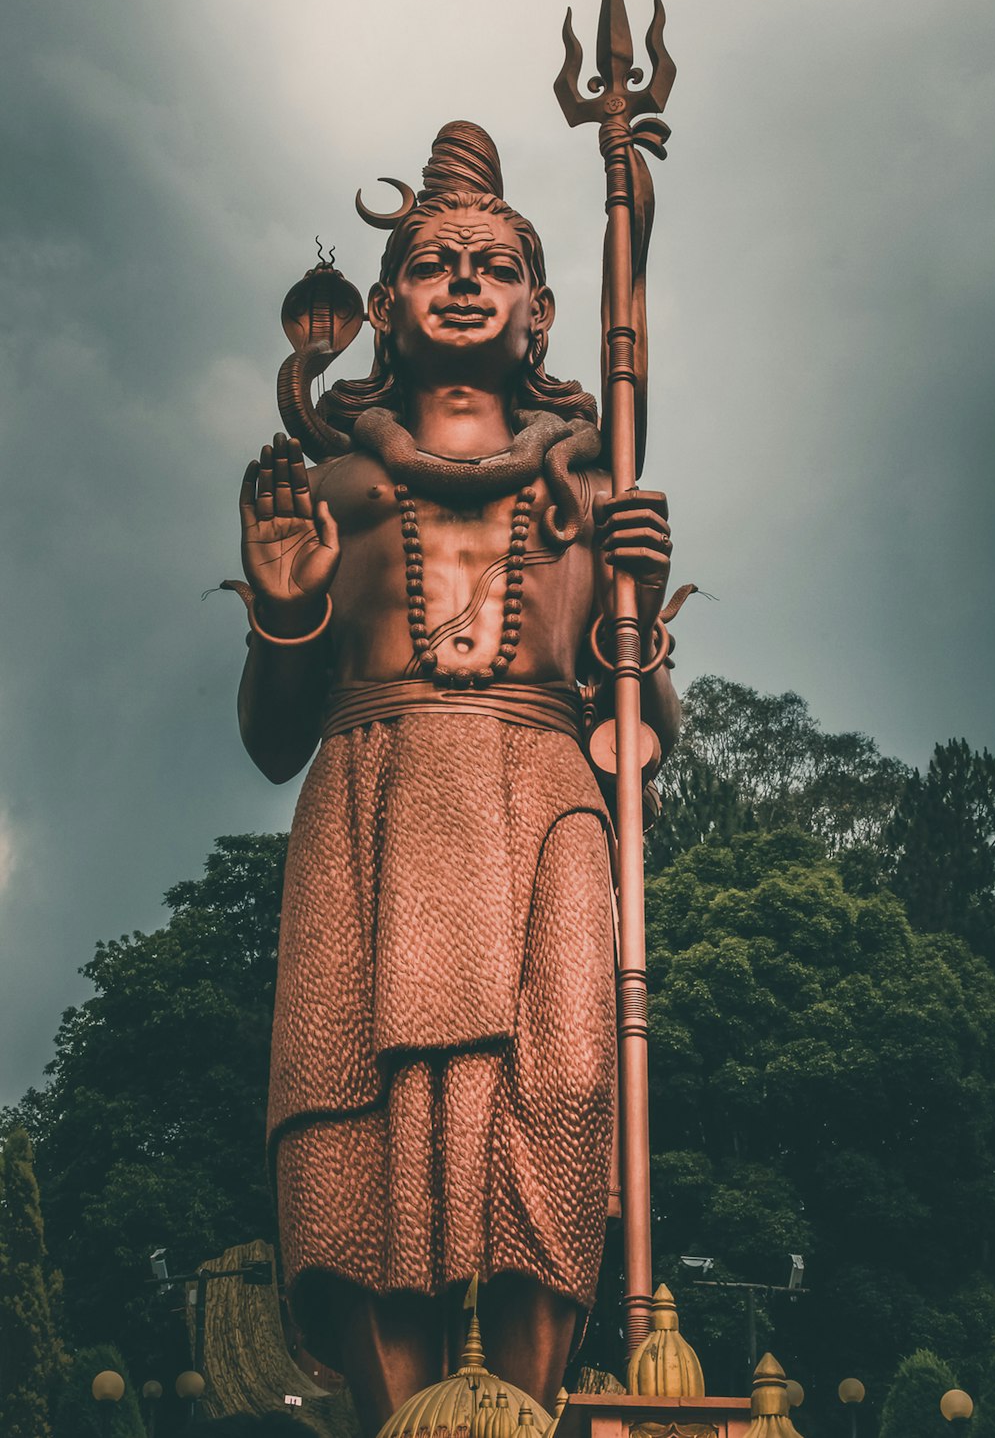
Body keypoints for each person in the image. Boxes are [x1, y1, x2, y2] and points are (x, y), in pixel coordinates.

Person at [233, 122, 678, 1438]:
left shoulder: (595, 497)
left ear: (541, 308)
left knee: (561, 1102)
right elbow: (271, 739)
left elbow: (640, 744)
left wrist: (639, 629)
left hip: (549, 808)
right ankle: (399, 1418)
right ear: (384, 305)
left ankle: (527, 1414)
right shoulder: (332, 489)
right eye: (437, 264)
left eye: (494, 264)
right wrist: (284, 614)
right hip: (373, 805)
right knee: (361, 1133)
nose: (467, 282)